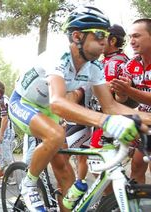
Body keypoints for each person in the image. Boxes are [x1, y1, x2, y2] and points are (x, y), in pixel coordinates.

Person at [8, 6, 151, 212]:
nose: (105, 41)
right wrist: (106, 121)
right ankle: (29, 183)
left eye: (107, 35)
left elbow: (110, 106)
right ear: (77, 36)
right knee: (56, 134)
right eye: (99, 35)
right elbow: (57, 102)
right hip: (24, 103)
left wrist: (147, 118)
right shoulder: (59, 56)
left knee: (67, 177)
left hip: (48, 111)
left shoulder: (94, 67)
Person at [110, 18, 151, 184]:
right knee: (137, 166)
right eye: (130, 36)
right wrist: (121, 92)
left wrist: (129, 90)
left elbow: (132, 92)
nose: (131, 41)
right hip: (144, 121)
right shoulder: (131, 64)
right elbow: (123, 99)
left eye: (137, 36)